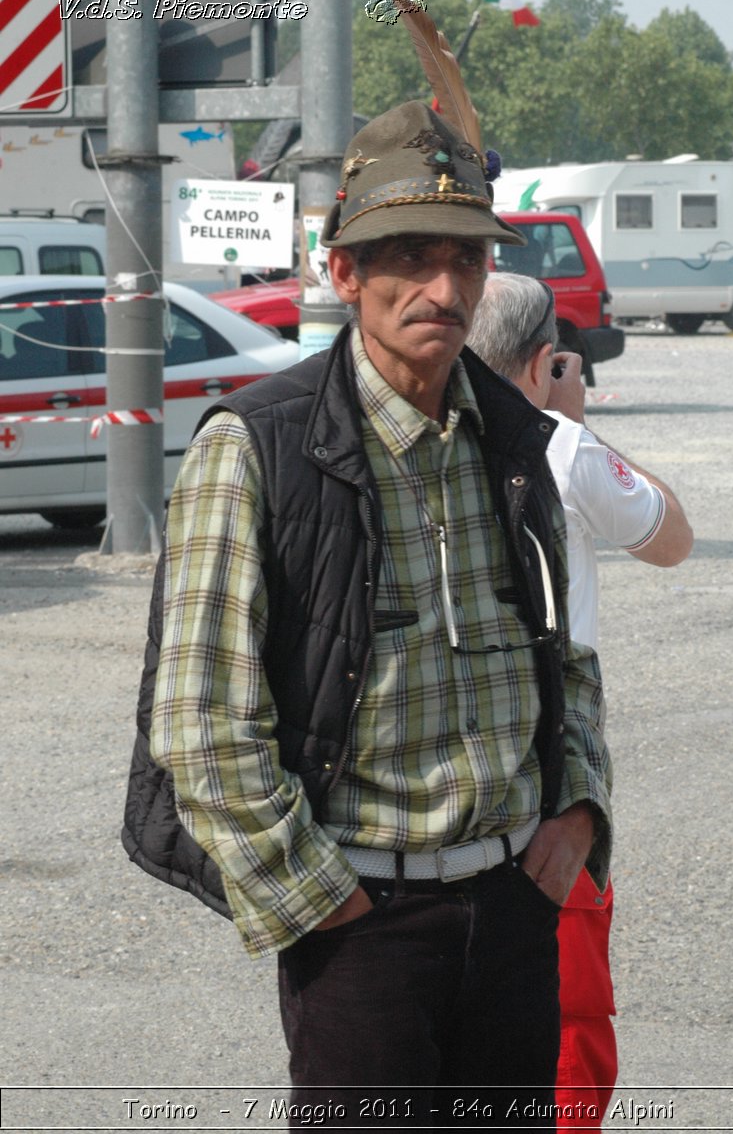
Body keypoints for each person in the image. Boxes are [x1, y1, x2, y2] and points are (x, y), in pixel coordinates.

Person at [129, 102, 613, 1129]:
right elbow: (200, 723)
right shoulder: (257, 446)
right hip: (361, 928)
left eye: (467, 259)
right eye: (408, 256)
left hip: (516, 911)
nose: (442, 289)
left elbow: (565, 653)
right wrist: (320, 904)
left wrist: (577, 810)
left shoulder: (514, 435)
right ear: (343, 272)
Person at [468, 272, 693, 1128]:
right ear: (541, 358)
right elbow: (671, 537)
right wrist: (579, 421)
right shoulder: (558, 444)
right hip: (549, 763)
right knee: (567, 1013)